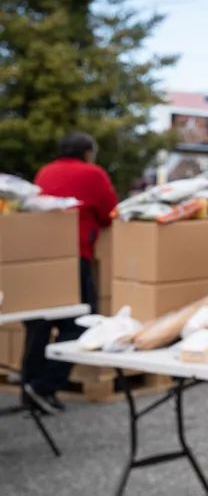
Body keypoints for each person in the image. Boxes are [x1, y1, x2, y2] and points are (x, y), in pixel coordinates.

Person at [21, 132, 118, 414]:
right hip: (73, 257)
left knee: (38, 326)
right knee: (80, 324)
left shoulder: (45, 172)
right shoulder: (93, 174)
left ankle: (30, 388)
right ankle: (44, 386)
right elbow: (109, 212)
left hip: (38, 259)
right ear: (87, 152)